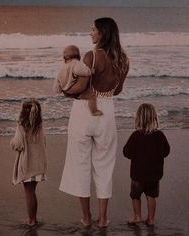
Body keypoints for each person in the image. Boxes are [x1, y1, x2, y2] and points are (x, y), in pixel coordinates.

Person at [59, 17, 129, 228]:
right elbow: (118, 90)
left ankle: (87, 217)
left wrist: (65, 91)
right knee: (104, 165)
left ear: (102, 33)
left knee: (80, 164)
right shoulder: (123, 59)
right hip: (107, 112)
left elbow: (80, 87)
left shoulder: (91, 56)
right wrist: (104, 91)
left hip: (84, 112)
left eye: (93, 30)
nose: (90, 33)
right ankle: (103, 219)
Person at [123, 103, 170, 226]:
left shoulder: (136, 136)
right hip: (154, 175)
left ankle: (137, 217)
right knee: (151, 196)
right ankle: (151, 219)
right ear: (154, 118)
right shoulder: (160, 135)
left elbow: (126, 152)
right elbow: (166, 151)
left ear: (138, 118)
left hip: (137, 175)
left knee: (135, 196)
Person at [10, 99, 47, 227]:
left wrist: (12, 142)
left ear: (23, 113)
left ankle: (31, 220)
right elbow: (44, 143)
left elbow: (18, 145)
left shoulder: (21, 127)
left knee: (28, 193)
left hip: (27, 165)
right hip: (38, 165)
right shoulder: (40, 126)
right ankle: (34, 218)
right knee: (33, 192)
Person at [53, 45, 103, 116]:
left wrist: (58, 89)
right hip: (74, 90)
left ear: (65, 57)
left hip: (65, 90)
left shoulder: (62, 67)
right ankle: (94, 111)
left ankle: (79, 98)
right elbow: (81, 71)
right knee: (92, 96)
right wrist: (90, 71)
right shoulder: (75, 63)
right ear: (78, 56)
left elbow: (57, 79)